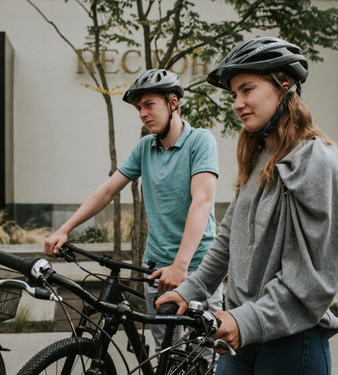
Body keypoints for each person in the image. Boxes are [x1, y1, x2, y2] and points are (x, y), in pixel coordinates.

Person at [156, 36, 338, 374]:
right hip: (241, 335)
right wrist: (192, 288)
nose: (237, 103)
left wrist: (246, 320)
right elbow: (228, 237)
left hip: (291, 342)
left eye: (247, 89)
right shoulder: (259, 156)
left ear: (285, 86)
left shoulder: (313, 160)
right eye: (234, 94)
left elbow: (314, 279)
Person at [44, 68, 222, 354]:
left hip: (198, 268)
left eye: (149, 104)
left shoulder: (201, 141)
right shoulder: (145, 148)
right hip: (155, 270)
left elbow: (201, 201)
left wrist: (181, 265)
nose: (142, 113)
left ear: (173, 102)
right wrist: (65, 228)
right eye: (139, 108)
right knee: (167, 354)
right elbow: (107, 191)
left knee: (206, 351)